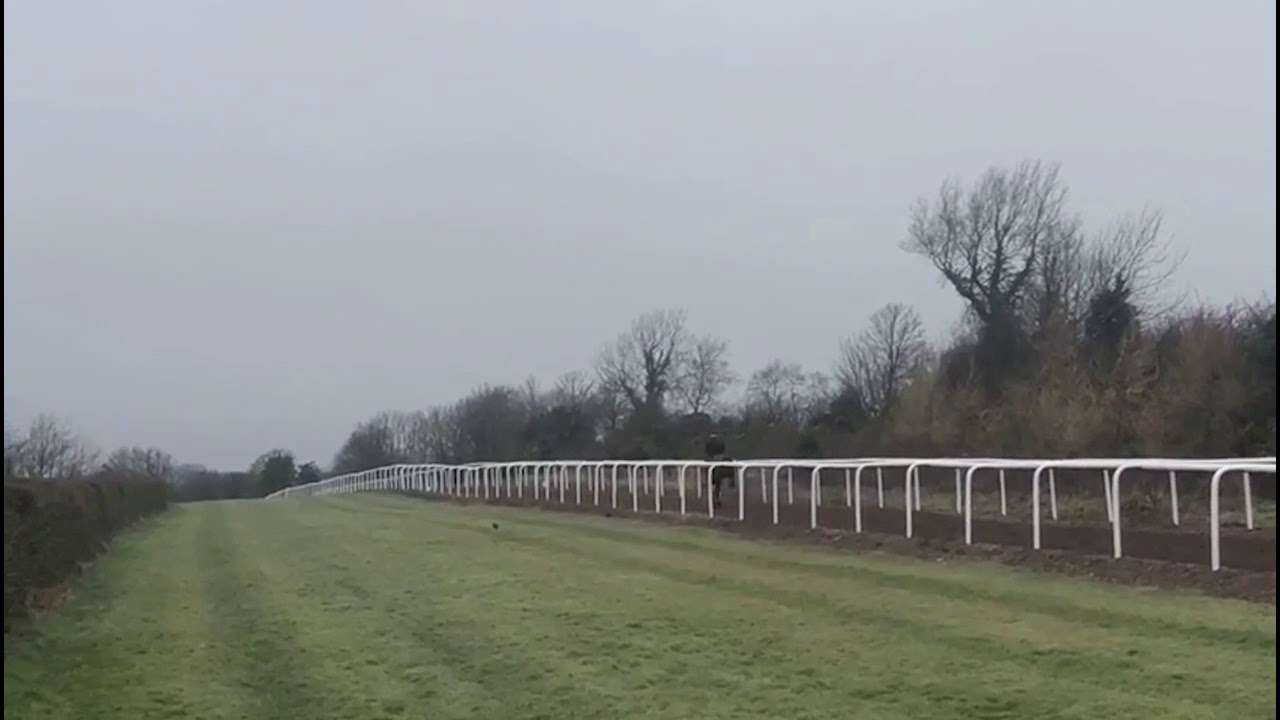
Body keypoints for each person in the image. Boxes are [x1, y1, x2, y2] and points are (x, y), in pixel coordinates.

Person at [704, 434, 734, 508]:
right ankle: (731, 480)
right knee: (717, 483)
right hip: (716, 464)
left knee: (715, 483)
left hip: (713, 464)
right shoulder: (721, 447)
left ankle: (716, 498)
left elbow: (707, 452)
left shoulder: (710, 448)